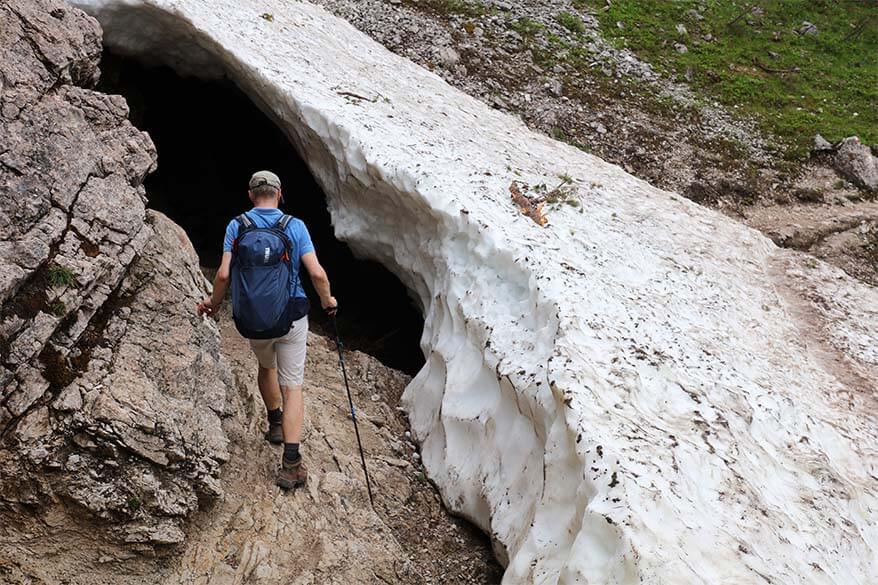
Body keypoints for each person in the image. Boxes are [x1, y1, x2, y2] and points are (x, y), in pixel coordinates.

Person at [197, 170, 337, 489]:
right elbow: (316, 272)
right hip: (292, 315)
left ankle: (274, 422)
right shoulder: (294, 226)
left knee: (266, 366)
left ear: (250, 195)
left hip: (254, 322)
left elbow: (222, 275)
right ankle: (291, 464)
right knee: (293, 386)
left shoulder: (237, 225)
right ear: (279, 193)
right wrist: (328, 301)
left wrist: (213, 304)